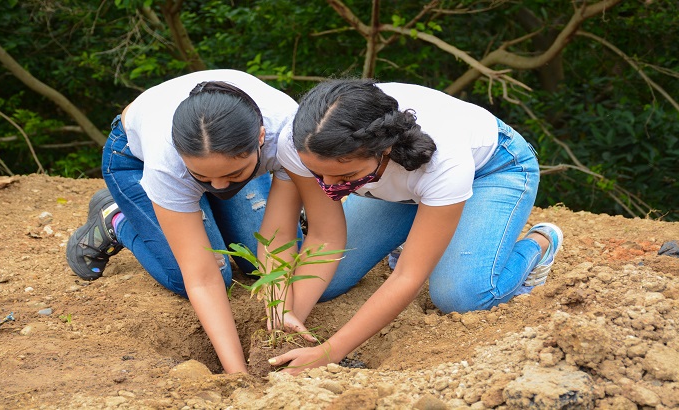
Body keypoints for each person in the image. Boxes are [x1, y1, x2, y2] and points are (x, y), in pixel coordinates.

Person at [270, 78, 564, 375]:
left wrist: (329, 352)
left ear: (383, 149)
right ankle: (416, 233)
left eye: (345, 175)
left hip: (491, 171)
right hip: (402, 189)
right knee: (324, 281)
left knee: (462, 296)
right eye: (317, 174)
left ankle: (539, 243)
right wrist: (286, 317)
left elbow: (407, 277)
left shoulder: (443, 162)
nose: (329, 187)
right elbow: (323, 235)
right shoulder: (304, 142)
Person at [65, 69, 304, 374]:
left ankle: (211, 196)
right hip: (134, 160)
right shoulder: (166, 160)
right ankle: (117, 219)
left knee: (266, 263)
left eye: (232, 175)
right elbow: (201, 279)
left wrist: (280, 309)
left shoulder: (288, 134)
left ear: (260, 139)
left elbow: (277, 241)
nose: (218, 187)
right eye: (203, 178)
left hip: (222, 151)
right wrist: (237, 375)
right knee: (199, 274)